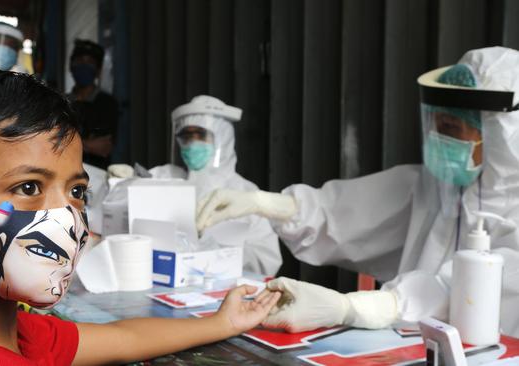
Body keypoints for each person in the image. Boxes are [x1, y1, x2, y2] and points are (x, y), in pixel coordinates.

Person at [0, 67, 281, 364]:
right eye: (29, 188)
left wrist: (223, 323)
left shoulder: (9, 331)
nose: (69, 218)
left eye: (77, 191)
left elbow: (123, 338)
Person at [196, 46, 519, 337]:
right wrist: (266, 203)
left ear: (498, 133)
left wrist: (356, 308)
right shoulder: (438, 189)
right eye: (436, 124)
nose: (436, 137)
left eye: (449, 129)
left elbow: (467, 290)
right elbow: (345, 212)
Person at [110, 96, 282, 276]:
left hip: (223, 289)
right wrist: (124, 183)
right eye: (186, 136)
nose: (192, 143)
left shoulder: (245, 192)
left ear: (222, 138)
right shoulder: (166, 177)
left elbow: (267, 260)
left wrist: (217, 253)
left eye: (201, 135)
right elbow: (123, 213)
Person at [68, 39, 118, 169]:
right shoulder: (60, 102)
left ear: (98, 70)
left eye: (90, 62)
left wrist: (67, 143)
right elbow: (50, 142)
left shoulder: (107, 103)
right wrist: (87, 144)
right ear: (71, 66)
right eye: (80, 61)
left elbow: (103, 147)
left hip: (97, 176)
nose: (84, 65)